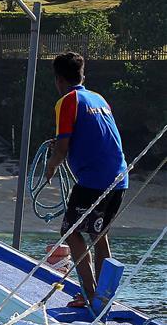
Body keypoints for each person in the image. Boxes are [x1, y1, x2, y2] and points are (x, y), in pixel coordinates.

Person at [44, 52, 128, 308]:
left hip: (94, 180)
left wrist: (49, 168)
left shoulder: (68, 101)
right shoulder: (98, 98)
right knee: (98, 233)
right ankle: (103, 296)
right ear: (83, 75)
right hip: (119, 178)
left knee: (69, 231)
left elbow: (63, 147)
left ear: (59, 80)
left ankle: (91, 294)